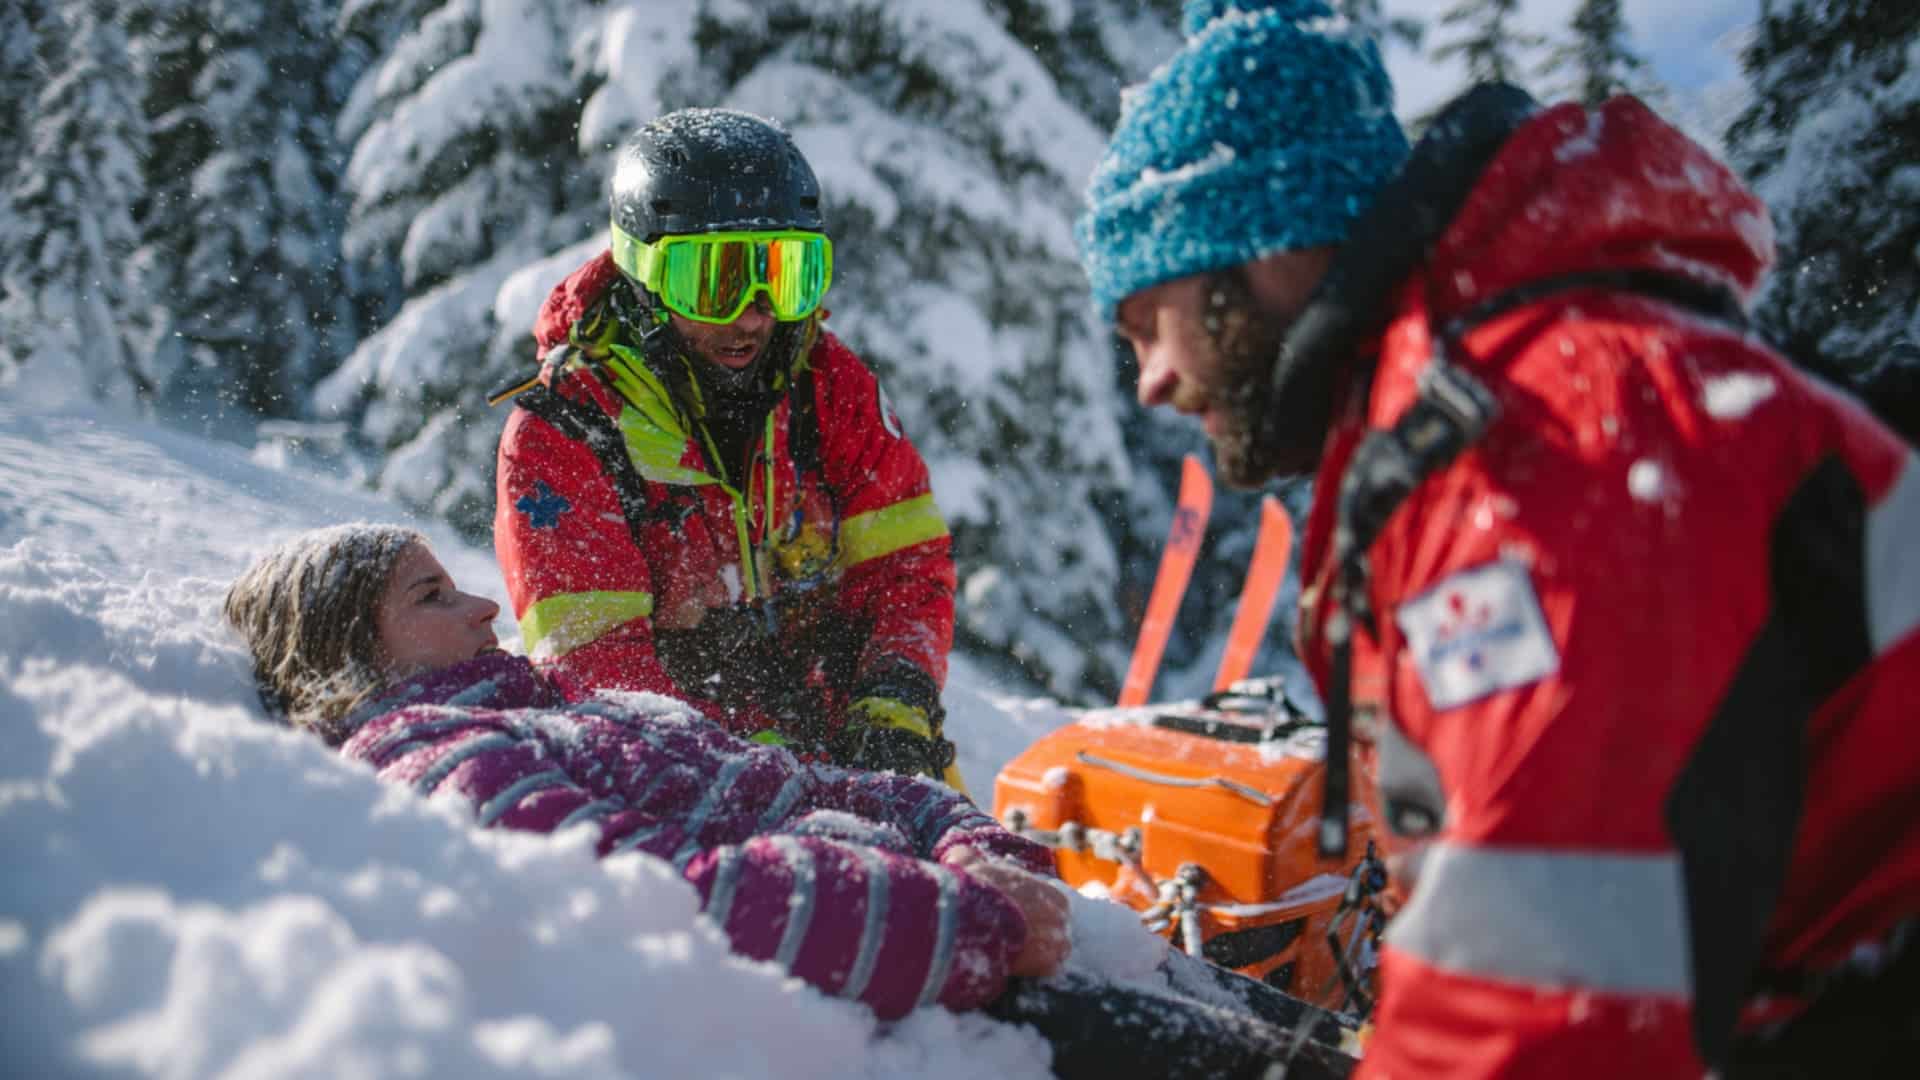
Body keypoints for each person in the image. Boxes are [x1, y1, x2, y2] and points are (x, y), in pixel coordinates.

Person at [1074, 1, 1920, 1077]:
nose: (1150, 381)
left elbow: (1547, 1006)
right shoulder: (1495, 401)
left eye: (1150, 319)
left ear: (1258, 247)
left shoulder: (1544, 439)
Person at [223, 525, 1364, 1078]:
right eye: (431, 595)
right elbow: (668, 906)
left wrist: (975, 845)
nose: (482, 604)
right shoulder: (430, 749)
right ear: (348, 658)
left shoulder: (565, 709)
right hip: (940, 1011)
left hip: (986, 940)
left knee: (1365, 1055)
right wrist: (981, 920)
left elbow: (834, 786)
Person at [490, 107, 962, 788]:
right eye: (713, 282)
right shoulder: (566, 434)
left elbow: (906, 565)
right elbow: (599, 670)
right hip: (682, 782)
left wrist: (894, 702)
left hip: (862, 752)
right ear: (644, 274)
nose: (752, 313)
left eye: (786, 274)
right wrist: (770, 767)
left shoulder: (828, 384)